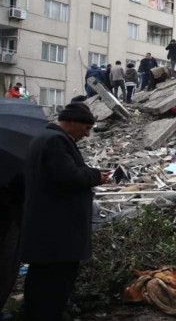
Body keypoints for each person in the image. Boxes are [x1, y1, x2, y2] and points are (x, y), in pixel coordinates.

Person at [21, 103, 108, 321]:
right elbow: (70, 176)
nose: (87, 134)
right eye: (86, 128)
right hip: (59, 231)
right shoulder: (56, 141)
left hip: (47, 228)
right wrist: (95, 176)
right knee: (55, 283)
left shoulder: (42, 138)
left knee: (41, 280)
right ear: (70, 122)